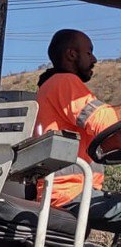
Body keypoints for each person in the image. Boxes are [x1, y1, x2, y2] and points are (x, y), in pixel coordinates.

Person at [36, 29, 121, 230]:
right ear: (71, 54)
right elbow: (106, 122)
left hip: (72, 192)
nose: (95, 59)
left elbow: (108, 139)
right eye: (89, 52)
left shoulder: (50, 86)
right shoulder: (64, 82)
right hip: (69, 194)